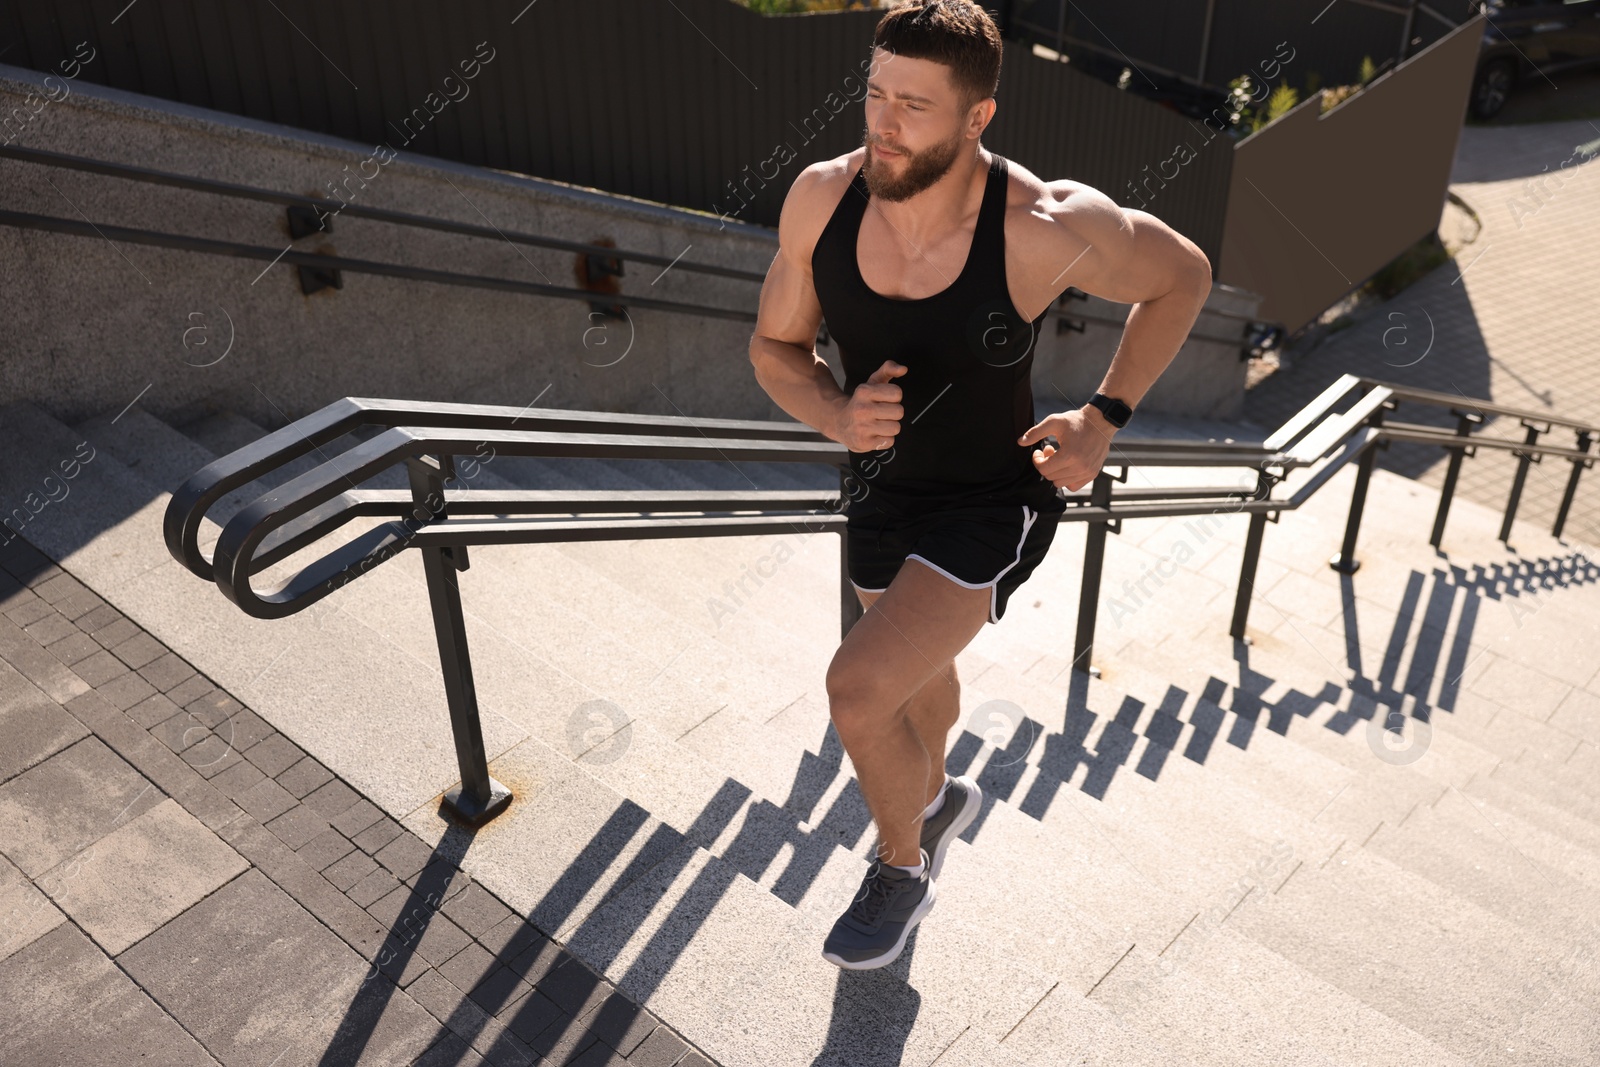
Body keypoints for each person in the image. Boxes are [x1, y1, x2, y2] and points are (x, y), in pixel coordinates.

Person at [748, 0, 1212, 971]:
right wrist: (834, 412)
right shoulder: (819, 202)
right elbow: (775, 346)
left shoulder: (1044, 225)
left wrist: (1103, 416)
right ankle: (940, 786)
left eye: (913, 104)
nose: (882, 121)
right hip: (879, 488)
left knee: (858, 687)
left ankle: (901, 863)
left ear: (976, 119)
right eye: (874, 93)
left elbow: (1184, 274)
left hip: (988, 499)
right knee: (913, 682)